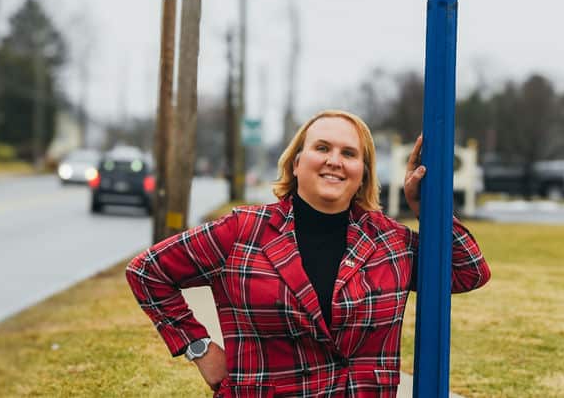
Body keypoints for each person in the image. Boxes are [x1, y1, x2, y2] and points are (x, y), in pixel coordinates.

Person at [125, 109, 491, 397]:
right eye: (322, 148)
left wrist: (427, 208)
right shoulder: (242, 232)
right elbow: (147, 272)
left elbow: (468, 272)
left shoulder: (388, 242)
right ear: (296, 163)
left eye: (349, 153)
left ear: (362, 174)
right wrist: (200, 348)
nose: (334, 160)